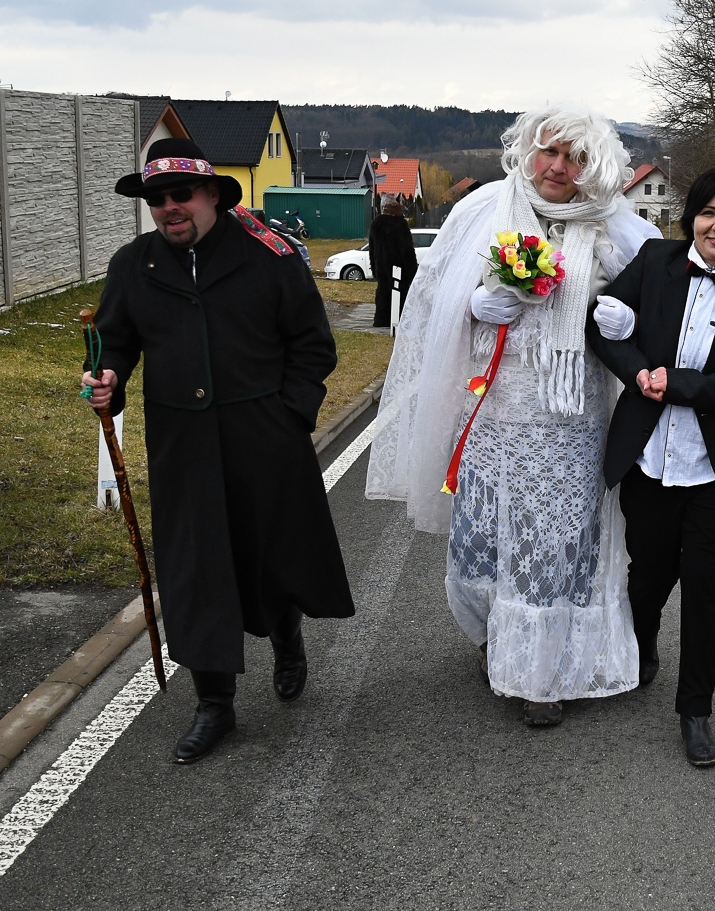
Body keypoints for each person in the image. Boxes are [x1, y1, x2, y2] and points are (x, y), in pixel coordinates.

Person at [365, 104, 659, 725]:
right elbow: (432, 298)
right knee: (486, 538)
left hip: (571, 420)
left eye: (575, 157)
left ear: (593, 166)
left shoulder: (617, 228)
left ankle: (542, 674)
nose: (558, 166)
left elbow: (659, 308)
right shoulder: (483, 210)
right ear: (527, 150)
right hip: (492, 413)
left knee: (556, 546)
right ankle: (492, 635)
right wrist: (476, 304)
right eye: (549, 151)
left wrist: (625, 320)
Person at [83, 137, 355, 764]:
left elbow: (313, 345)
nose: (168, 208)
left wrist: (291, 415)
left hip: (266, 439)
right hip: (182, 447)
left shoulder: (270, 254)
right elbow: (114, 342)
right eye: (156, 200)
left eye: (180, 195)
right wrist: (109, 378)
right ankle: (214, 704)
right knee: (196, 568)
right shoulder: (133, 264)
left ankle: (287, 638)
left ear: (211, 194)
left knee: (271, 557)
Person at [585, 167, 715, 767]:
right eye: (708, 213)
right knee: (648, 573)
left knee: (706, 586)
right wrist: (636, 372)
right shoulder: (655, 261)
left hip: (714, 470)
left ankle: (695, 710)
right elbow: (602, 324)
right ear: (692, 217)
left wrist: (678, 384)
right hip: (648, 458)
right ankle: (643, 639)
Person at [369, 193, 419, 328]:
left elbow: (372, 250)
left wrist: (375, 269)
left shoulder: (376, 224)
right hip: (399, 269)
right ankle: (399, 320)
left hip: (381, 268)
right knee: (400, 295)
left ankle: (381, 320)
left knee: (383, 293)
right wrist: (413, 272)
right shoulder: (400, 224)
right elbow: (407, 251)